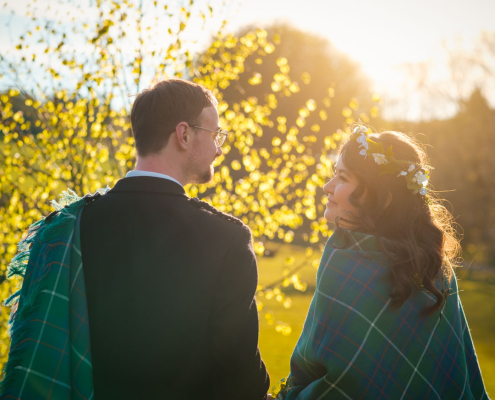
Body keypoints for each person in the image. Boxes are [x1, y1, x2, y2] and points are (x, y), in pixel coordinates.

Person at [1, 78, 270, 400]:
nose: (219, 147)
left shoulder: (67, 226)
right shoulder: (227, 237)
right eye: (215, 134)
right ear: (184, 135)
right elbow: (242, 376)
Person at [274, 126, 489, 399]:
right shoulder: (435, 264)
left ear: (382, 197)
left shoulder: (346, 263)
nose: (327, 187)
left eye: (342, 177)